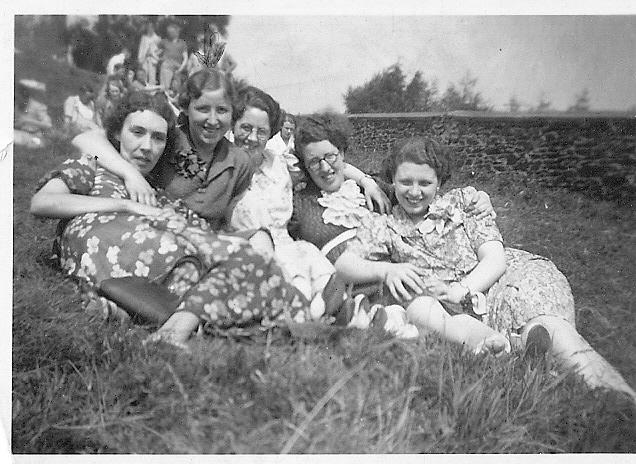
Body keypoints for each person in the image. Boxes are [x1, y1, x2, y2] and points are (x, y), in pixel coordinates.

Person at [335, 136, 636, 402]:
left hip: (495, 279)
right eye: (405, 182)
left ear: (439, 182)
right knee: (423, 308)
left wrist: (462, 288)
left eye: (425, 183)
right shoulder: (384, 225)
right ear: (392, 181)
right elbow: (345, 265)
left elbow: (494, 258)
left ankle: (620, 398)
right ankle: (506, 345)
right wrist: (386, 271)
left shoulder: (463, 203)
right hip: (445, 301)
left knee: (548, 324)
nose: (414, 192)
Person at [31, 91, 311, 348]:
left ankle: (135, 312)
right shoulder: (92, 167)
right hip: (109, 246)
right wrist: (125, 204)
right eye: (137, 132)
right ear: (117, 132)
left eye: (157, 138)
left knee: (267, 282)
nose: (146, 146)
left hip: (154, 267)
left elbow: (204, 235)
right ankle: (176, 327)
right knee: (253, 274)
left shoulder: (156, 192)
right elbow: (41, 203)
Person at [288, 113, 493, 264]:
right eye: (314, 162)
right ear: (305, 165)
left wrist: (478, 197)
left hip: (400, 282)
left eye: (330, 156)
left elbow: (423, 195)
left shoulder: (373, 189)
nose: (324, 167)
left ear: (342, 153)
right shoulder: (299, 203)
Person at [73, 68, 252, 230]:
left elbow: (228, 222)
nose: (213, 120)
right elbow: (84, 140)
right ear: (186, 108)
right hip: (155, 231)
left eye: (222, 110)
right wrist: (131, 174)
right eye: (203, 109)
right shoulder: (166, 137)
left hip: (206, 240)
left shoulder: (239, 161)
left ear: (232, 113)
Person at [14, 79, 53, 148]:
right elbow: (19, 124)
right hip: (23, 133)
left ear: (23, 95)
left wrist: (27, 121)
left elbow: (48, 125)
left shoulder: (37, 106)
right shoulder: (18, 106)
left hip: (36, 136)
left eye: (17, 96)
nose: (15, 99)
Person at [158, 22, 188, 92]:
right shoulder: (164, 42)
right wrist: (159, 59)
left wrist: (181, 68)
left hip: (178, 67)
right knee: (165, 87)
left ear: (177, 32)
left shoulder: (182, 43)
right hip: (167, 66)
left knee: (177, 88)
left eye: (171, 32)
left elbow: (185, 58)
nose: (169, 33)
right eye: (169, 32)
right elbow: (155, 52)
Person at [137, 21, 161, 86]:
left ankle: (152, 91)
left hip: (152, 60)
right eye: (148, 27)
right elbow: (141, 49)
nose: (149, 29)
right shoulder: (144, 38)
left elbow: (159, 50)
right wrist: (140, 59)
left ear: (154, 28)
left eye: (151, 27)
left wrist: (153, 54)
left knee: (152, 77)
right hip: (144, 59)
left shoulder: (157, 38)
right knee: (144, 75)